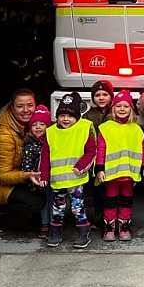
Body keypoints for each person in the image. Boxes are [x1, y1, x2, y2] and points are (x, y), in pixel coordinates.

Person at [0, 88, 47, 236]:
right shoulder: (3, 135)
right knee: (36, 201)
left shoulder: (33, 126)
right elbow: (3, 176)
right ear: (12, 107)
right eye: (20, 106)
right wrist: (27, 175)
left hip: (19, 178)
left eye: (30, 105)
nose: (26, 110)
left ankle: (34, 219)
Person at [39, 92, 96, 249]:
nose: (65, 119)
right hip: (57, 180)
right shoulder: (50, 132)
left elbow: (91, 151)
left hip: (75, 179)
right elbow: (45, 156)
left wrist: (81, 166)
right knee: (58, 209)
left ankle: (84, 233)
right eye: (62, 115)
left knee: (78, 208)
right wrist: (44, 175)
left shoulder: (83, 128)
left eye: (70, 116)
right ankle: (55, 232)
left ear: (77, 117)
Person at [95, 90, 144, 241]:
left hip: (129, 174)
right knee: (110, 201)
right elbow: (101, 149)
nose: (122, 109)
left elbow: (142, 148)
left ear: (131, 109)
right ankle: (109, 228)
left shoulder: (136, 129)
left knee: (127, 201)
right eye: (119, 106)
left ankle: (124, 226)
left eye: (126, 106)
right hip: (111, 174)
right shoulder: (106, 127)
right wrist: (99, 168)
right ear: (113, 109)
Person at [21, 105, 53, 240]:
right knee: (45, 201)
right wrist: (31, 176)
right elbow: (26, 165)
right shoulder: (29, 145)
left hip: (53, 177)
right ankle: (45, 225)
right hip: (38, 180)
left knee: (55, 201)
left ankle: (55, 223)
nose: (38, 127)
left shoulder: (52, 141)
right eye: (34, 124)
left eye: (42, 124)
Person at [84, 80, 113, 228]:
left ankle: (113, 217)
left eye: (105, 94)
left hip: (112, 156)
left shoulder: (115, 112)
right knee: (97, 189)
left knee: (112, 189)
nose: (101, 98)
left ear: (111, 96)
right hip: (96, 158)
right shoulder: (88, 115)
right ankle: (99, 216)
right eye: (97, 95)